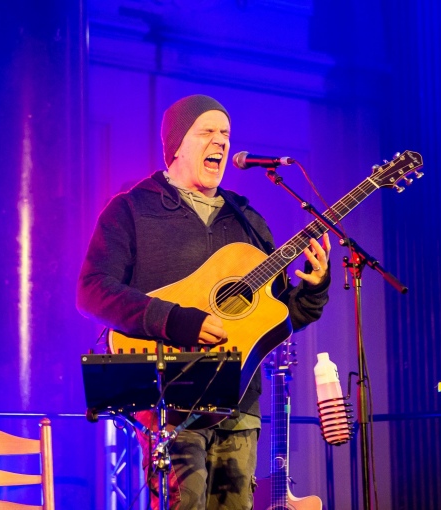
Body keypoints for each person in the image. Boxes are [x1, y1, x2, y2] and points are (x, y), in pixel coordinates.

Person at [76, 94, 331, 509]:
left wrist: (316, 286)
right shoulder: (131, 210)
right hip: (170, 398)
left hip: (240, 403)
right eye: (207, 131)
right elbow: (91, 290)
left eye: (226, 133)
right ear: (176, 144)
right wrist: (177, 319)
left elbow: (278, 318)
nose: (221, 141)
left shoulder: (247, 220)